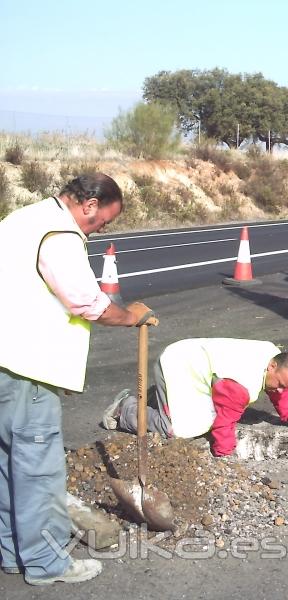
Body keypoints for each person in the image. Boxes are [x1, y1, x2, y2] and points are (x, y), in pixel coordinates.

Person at [0, 174, 158, 586]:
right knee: (38, 470)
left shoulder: (21, 219)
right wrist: (131, 315)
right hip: (25, 368)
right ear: (88, 204)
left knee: (6, 464)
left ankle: (14, 553)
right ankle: (47, 564)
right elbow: (87, 302)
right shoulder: (60, 234)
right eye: (101, 221)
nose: (100, 229)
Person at [102, 338, 288, 457]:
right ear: (272, 366)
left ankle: (160, 396)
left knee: (195, 415)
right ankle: (126, 408)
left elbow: (283, 387)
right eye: (279, 385)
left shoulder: (273, 357)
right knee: (178, 430)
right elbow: (224, 423)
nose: (280, 390)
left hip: (194, 361)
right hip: (180, 364)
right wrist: (224, 454)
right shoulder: (243, 385)